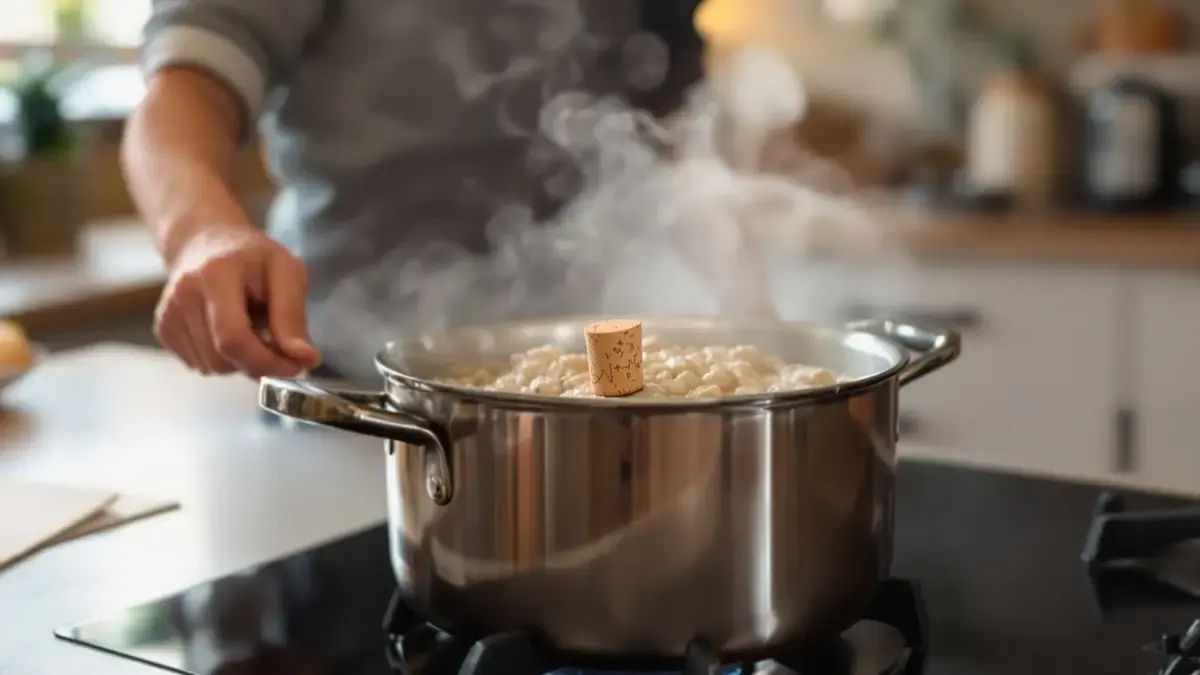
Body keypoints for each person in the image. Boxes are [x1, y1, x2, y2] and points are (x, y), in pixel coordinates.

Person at [124, 0, 704, 380]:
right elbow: (182, 97)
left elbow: (663, 127)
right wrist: (201, 233)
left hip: (608, 364)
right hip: (356, 375)